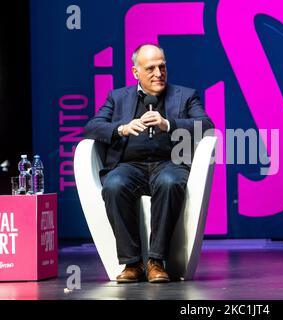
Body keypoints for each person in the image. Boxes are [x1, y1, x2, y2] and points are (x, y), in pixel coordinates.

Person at [84, 44, 214, 283]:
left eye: (162, 67)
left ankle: (156, 261)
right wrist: (121, 128)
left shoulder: (186, 95)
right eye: (151, 68)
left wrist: (168, 124)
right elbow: (92, 126)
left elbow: (206, 124)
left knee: (170, 182)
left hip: (169, 163)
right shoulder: (117, 97)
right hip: (129, 166)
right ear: (136, 73)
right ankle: (132, 263)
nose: (158, 73)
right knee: (113, 184)